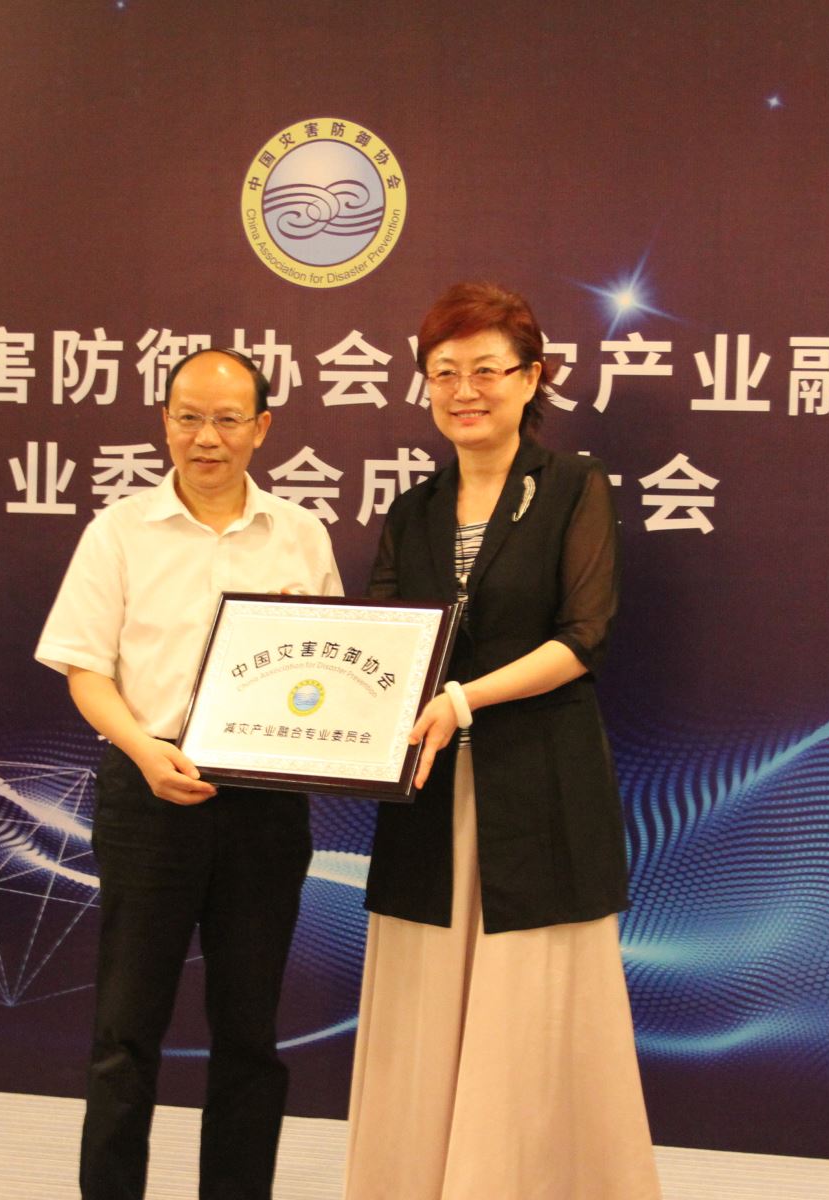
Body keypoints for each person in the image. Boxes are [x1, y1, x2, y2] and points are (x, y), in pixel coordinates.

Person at [344, 283, 661, 1199]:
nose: (464, 391)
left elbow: (582, 638)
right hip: (429, 792)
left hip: (539, 784)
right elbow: (388, 642)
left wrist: (463, 699)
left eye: (486, 369)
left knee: (532, 1009)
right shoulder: (413, 509)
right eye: (443, 372)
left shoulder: (572, 490)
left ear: (532, 378)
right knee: (424, 1006)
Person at [35, 347, 342, 1200]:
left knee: (249, 1033)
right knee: (125, 1031)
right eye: (188, 418)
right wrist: (145, 749)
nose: (207, 438)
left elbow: (332, 669)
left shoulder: (301, 536)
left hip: (265, 807)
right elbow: (86, 671)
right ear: (164, 423)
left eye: (227, 419)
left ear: (262, 428)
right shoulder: (120, 531)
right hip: (148, 795)